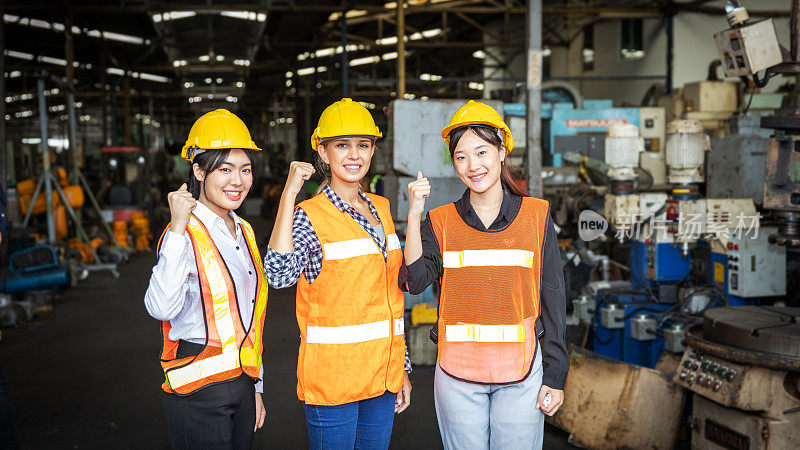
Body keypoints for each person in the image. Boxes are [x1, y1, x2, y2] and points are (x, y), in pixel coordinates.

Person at [402, 100, 569, 449]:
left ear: (502, 151)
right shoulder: (440, 220)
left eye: (482, 152)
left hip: (522, 371)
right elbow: (414, 280)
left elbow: (552, 296)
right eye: (461, 157)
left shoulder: (537, 216)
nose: (472, 165)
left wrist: (555, 374)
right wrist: (415, 217)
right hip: (457, 374)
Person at [265, 98, 412, 449]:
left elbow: (391, 300)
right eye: (342, 145)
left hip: (382, 375)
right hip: (333, 381)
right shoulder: (309, 215)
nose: (354, 155)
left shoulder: (383, 208)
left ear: (373, 150)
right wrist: (289, 194)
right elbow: (279, 274)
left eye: (363, 145)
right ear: (323, 152)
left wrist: (402, 366)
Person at [144, 109, 268, 449]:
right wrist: (179, 228)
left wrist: (255, 388)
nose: (237, 181)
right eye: (224, 169)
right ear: (199, 170)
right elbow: (161, 307)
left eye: (245, 170)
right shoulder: (182, 233)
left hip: (242, 384)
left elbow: (250, 316)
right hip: (197, 388)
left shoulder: (244, 230)